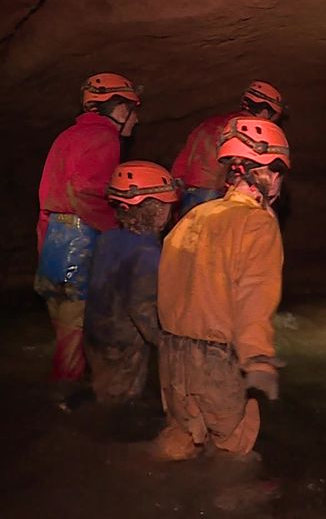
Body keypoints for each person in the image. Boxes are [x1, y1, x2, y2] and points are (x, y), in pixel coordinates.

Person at [154, 114, 291, 460]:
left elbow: (167, 287)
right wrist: (258, 359)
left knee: (179, 442)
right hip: (214, 360)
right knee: (233, 449)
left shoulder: (195, 216)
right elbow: (254, 296)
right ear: (267, 172)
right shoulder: (257, 224)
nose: (279, 182)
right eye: (279, 173)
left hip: (171, 354)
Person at [35, 72, 141, 388]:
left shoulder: (66, 137)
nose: (136, 118)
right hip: (80, 242)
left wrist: (43, 248)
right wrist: (119, 230)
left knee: (65, 328)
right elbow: (83, 190)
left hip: (54, 241)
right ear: (118, 108)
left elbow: (47, 198)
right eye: (133, 109)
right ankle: (69, 398)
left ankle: (71, 389)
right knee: (80, 328)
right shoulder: (104, 137)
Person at [83, 160, 178, 404]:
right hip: (123, 347)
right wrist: (170, 345)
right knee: (121, 401)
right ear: (155, 209)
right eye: (167, 205)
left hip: (95, 337)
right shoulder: (147, 253)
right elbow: (143, 309)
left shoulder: (107, 238)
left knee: (100, 389)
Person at [171, 80, 285, 216]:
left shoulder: (209, 124)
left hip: (190, 197)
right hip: (220, 199)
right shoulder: (254, 136)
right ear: (266, 113)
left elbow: (180, 166)